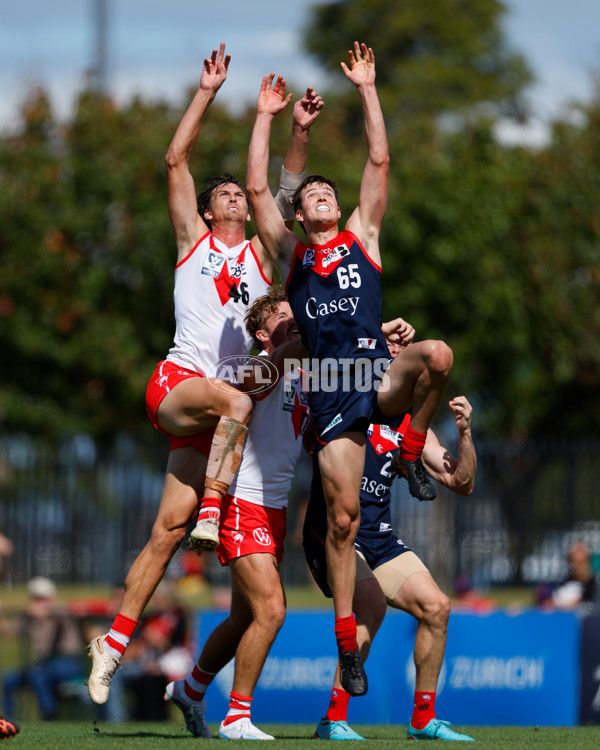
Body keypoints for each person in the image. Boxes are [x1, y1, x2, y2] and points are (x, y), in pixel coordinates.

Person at [86, 43, 323, 708]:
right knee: (233, 403)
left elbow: (281, 186)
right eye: (220, 191)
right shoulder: (192, 239)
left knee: (165, 533)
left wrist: (293, 128)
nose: (228, 194)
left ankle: (111, 645)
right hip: (182, 387)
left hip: (219, 426)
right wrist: (206, 93)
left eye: (232, 192)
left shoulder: (259, 253)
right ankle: (215, 513)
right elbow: (174, 161)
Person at [246, 42, 453, 696]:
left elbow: (379, 159)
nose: (323, 195)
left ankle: (413, 447)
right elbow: (258, 188)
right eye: (313, 194)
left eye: (327, 191)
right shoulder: (295, 255)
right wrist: (267, 119)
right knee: (341, 522)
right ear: (301, 217)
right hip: (334, 389)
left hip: (378, 379)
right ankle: (345, 640)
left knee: (440, 356)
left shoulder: (364, 237)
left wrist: (367, 86)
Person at [303, 351, 476, 742]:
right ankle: (333, 720)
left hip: (379, 539)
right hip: (336, 536)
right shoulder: (347, 402)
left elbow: (462, 482)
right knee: (370, 606)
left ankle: (423, 720)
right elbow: (307, 437)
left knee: (437, 607)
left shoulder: (411, 428)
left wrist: (464, 433)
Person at [164, 285, 310, 740]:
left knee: (244, 618)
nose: (295, 318)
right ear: (264, 335)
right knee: (272, 610)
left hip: (275, 508)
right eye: (283, 316)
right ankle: (237, 717)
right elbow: (261, 376)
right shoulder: (256, 369)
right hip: (240, 503)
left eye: (295, 312)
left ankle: (190, 689)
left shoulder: (307, 373)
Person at [2, 577, 83, 722]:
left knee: (38, 674)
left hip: (67, 663)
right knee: (9, 679)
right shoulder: (30, 619)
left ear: (51, 597)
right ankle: (9, 721)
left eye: (41, 598)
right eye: (35, 598)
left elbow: (62, 612)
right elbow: (8, 632)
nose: (38, 602)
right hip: (42, 665)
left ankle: (49, 716)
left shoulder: (61, 613)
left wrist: (46, 610)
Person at [552, 541, 597, 609]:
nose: (579, 566)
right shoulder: (566, 582)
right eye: (575, 562)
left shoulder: (594, 585)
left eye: (582, 562)